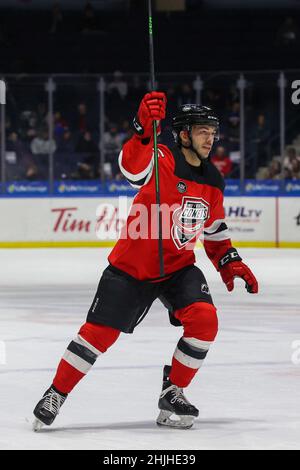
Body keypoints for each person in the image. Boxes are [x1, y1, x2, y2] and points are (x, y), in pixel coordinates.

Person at [33, 93, 258, 431]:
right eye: (202, 132)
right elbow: (131, 170)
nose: (211, 140)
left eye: (213, 133)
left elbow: (213, 229)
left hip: (178, 267)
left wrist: (229, 261)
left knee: (204, 320)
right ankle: (56, 393)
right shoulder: (162, 158)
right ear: (183, 134)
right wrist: (142, 131)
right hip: (132, 268)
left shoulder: (213, 180)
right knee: (97, 336)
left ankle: (173, 391)